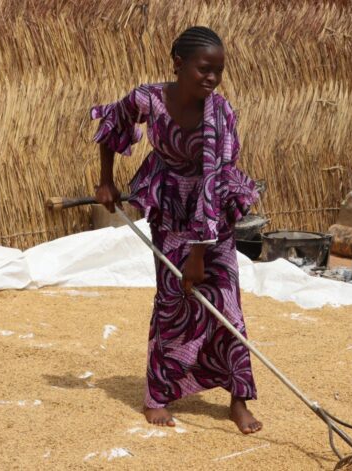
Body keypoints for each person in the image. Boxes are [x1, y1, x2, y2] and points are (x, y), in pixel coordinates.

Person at [91, 26, 262, 434]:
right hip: (168, 205)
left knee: (226, 302)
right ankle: (158, 394)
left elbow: (212, 181)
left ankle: (238, 399)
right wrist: (106, 181)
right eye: (204, 69)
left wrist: (199, 255)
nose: (211, 79)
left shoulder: (220, 114)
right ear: (179, 64)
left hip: (213, 213)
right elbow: (114, 124)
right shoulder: (148, 98)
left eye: (218, 72)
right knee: (173, 299)